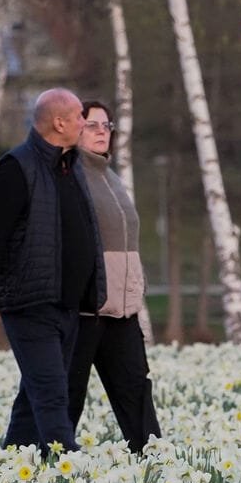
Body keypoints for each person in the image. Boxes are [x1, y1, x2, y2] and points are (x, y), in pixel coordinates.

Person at [0, 88, 106, 455]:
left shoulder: (70, 166)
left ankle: (13, 463)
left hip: (67, 304)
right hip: (31, 304)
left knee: (35, 394)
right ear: (59, 122)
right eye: (80, 116)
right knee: (52, 393)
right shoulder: (16, 167)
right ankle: (69, 471)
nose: (86, 123)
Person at [67, 99, 161, 453]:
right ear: (75, 129)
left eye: (107, 126)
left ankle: (153, 462)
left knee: (136, 387)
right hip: (85, 310)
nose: (102, 132)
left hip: (122, 309)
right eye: (93, 125)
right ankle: (47, 464)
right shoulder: (69, 177)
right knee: (68, 393)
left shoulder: (113, 178)